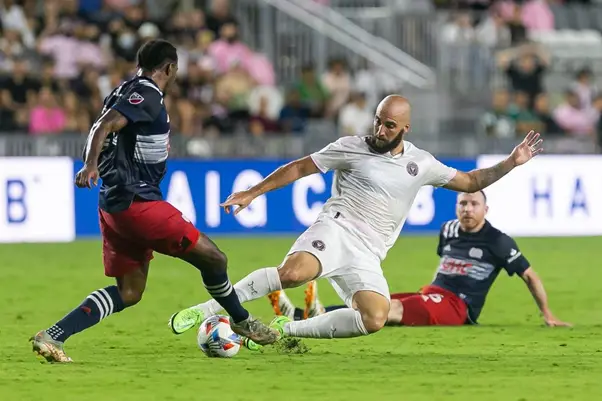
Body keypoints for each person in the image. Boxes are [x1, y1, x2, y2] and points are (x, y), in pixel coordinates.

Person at [169, 95, 544, 341]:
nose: (380, 130)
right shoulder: (351, 147)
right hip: (337, 227)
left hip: (369, 252)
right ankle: (207, 309)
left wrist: (512, 162)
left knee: (375, 318)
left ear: (405, 129)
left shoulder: (422, 163)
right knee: (295, 274)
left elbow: (474, 180)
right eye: (378, 121)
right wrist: (253, 191)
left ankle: (288, 329)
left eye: (389, 126)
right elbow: (301, 168)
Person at [30, 40, 277, 363]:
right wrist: (90, 164)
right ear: (170, 68)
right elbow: (103, 126)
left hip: (114, 205)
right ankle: (243, 322)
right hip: (138, 202)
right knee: (215, 259)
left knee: (130, 292)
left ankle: (53, 336)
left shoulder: (122, 90)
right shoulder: (145, 93)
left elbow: (100, 126)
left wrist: (94, 163)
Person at [268, 191, 571, 327]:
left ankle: (301, 319)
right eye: (462, 202)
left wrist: (547, 314)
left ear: (485, 210)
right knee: (372, 303)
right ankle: (300, 315)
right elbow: (445, 264)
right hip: (432, 294)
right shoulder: (449, 229)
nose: (467, 209)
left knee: (391, 310)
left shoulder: (498, 241)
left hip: (457, 307)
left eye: (474, 204)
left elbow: (529, 275)